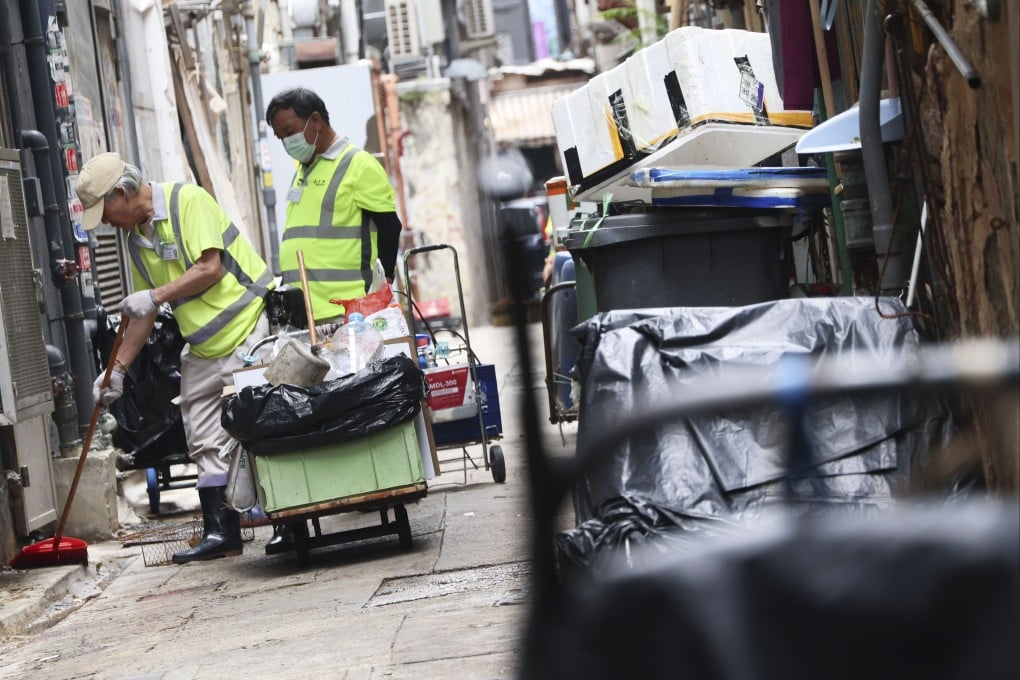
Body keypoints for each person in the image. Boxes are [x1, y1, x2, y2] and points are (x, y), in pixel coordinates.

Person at [79, 152, 274, 564]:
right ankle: (222, 531)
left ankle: (286, 520)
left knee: (261, 427)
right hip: (204, 346)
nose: (106, 223)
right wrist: (116, 372)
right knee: (201, 433)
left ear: (122, 192)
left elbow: (210, 268)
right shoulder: (135, 242)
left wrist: (155, 295)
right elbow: (143, 314)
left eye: (105, 210)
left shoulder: (188, 201)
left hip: (248, 327)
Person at [264, 87, 403, 554]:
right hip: (303, 316)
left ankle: (369, 490)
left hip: (344, 315)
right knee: (297, 416)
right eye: (279, 135)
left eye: (289, 131)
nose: (286, 142)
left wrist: (380, 289)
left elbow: (389, 227)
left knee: (349, 410)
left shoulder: (358, 165)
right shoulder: (305, 170)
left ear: (315, 121)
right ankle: (297, 517)